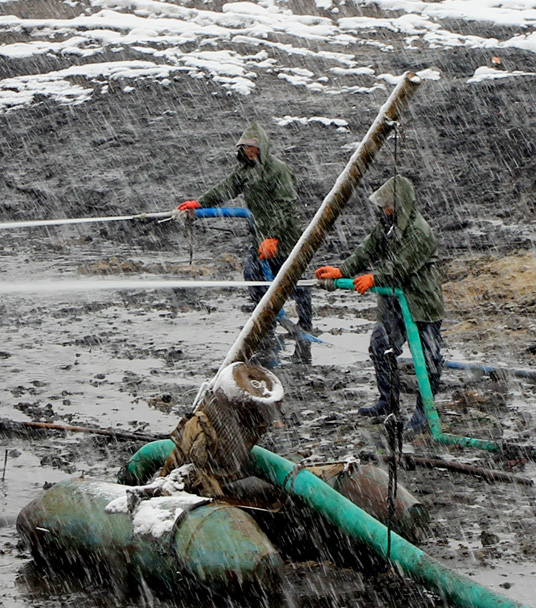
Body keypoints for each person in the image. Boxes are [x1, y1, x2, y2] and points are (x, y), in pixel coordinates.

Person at [315, 175, 444, 433]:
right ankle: (388, 401)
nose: (384, 210)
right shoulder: (387, 225)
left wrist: (374, 278)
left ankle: (423, 412)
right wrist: (342, 271)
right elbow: (368, 250)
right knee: (380, 347)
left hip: (421, 302)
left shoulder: (419, 232)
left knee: (429, 359)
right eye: (383, 206)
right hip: (393, 300)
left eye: (389, 206)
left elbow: (402, 267)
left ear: (401, 205)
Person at [177, 121, 313, 364]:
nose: (250, 151)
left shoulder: (278, 170)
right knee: (253, 274)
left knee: (295, 281)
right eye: (246, 147)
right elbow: (226, 188)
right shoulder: (244, 172)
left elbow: (286, 206)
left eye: (253, 147)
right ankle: (266, 325)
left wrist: (275, 237)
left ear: (263, 148)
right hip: (260, 235)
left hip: (286, 236)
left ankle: (306, 327)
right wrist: (200, 203)